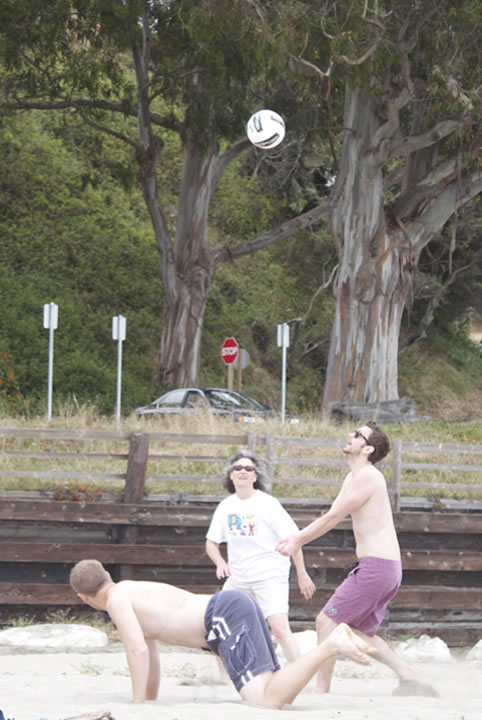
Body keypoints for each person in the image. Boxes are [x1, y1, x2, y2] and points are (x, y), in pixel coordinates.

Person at [69, 559, 374, 707]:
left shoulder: (117, 600)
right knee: (276, 694)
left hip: (222, 616)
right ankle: (331, 645)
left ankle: (330, 644)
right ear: (107, 574)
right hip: (230, 607)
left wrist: (135, 706)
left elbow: (136, 651)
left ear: (83, 597)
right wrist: (147, 701)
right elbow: (150, 654)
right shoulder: (130, 590)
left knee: (263, 701)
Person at [276, 422, 439, 697]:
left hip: (377, 567)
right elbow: (332, 513)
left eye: (357, 434)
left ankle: (322, 691)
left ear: (368, 449)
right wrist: (296, 537)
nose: (349, 436)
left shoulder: (369, 477)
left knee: (326, 622)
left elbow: (334, 517)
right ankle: (408, 675)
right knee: (354, 631)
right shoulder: (353, 477)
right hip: (382, 568)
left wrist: (298, 541)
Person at [205, 451, 315, 662]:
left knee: (279, 628)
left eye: (248, 468)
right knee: (219, 625)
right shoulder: (225, 506)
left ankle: (299, 672)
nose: (243, 471)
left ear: (255, 476)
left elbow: (294, 540)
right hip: (238, 577)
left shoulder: (268, 504)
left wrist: (302, 574)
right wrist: (219, 562)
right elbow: (211, 542)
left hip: (269, 575)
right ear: (231, 475)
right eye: (238, 468)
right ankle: (227, 675)